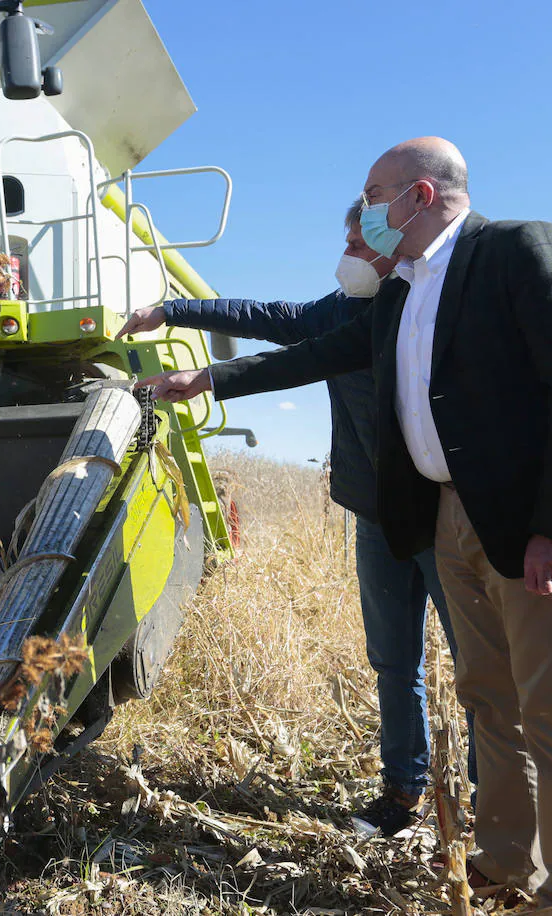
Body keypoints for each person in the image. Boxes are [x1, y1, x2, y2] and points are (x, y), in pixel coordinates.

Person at [143, 137, 552, 911]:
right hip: (448, 521)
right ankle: (505, 862)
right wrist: (208, 377)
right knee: (490, 698)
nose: (365, 210)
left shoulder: (520, 249)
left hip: (531, 526)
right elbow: (318, 350)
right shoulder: (406, 294)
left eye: (374, 194)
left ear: (419, 195)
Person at [117, 204, 472, 839]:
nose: (350, 257)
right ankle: (403, 790)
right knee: (394, 660)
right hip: (376, 513)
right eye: (347, 243)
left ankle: (491, 791)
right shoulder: (338, 312)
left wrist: (207, 375)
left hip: (444, 513)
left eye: (361, 247)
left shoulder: (421, 307)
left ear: (396, 251)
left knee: (477, 661)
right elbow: (268, 319)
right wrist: (175, 309)